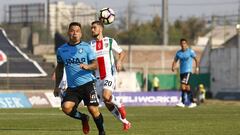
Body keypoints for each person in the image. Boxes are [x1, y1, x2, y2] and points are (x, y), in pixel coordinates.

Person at [53, 22, 105, 135]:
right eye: (72, 30)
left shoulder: (86, 47)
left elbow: (96, 64)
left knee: (93, 109)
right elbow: (59, 68)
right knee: (66, 108)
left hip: (87, 84)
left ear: (81, 33)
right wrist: (57, 86)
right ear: (68, 32)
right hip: (72, 87)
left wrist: (88, 66)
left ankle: (102, 132)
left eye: (77, 31)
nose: (75, 33)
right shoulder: (61, 50)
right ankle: (83, 118)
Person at [89, 20, 131, 131]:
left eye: (94, 27)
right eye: (91, 28)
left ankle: (119, 103)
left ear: (101, 29)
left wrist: (120, 61)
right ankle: (125, 122)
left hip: (109, 74)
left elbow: (122, 53)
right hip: (98, 77)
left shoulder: (110, 41)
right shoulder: (90, 45)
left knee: (107, 96)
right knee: (107, 103)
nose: (92, 29)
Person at [171, 38, 199, 108]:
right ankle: (193, 102)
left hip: (188, 71)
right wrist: (173, 66)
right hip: (182, 72)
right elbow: (175, 60)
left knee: (183, 85)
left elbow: (196, 59)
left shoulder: (190, 51)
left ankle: (183, 102)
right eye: (182, 43)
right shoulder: (178, 53)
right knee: (187, 88)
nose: (183, 45)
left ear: (186, 44)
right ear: (180, 44)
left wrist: (197, 68)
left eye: (184, 43)